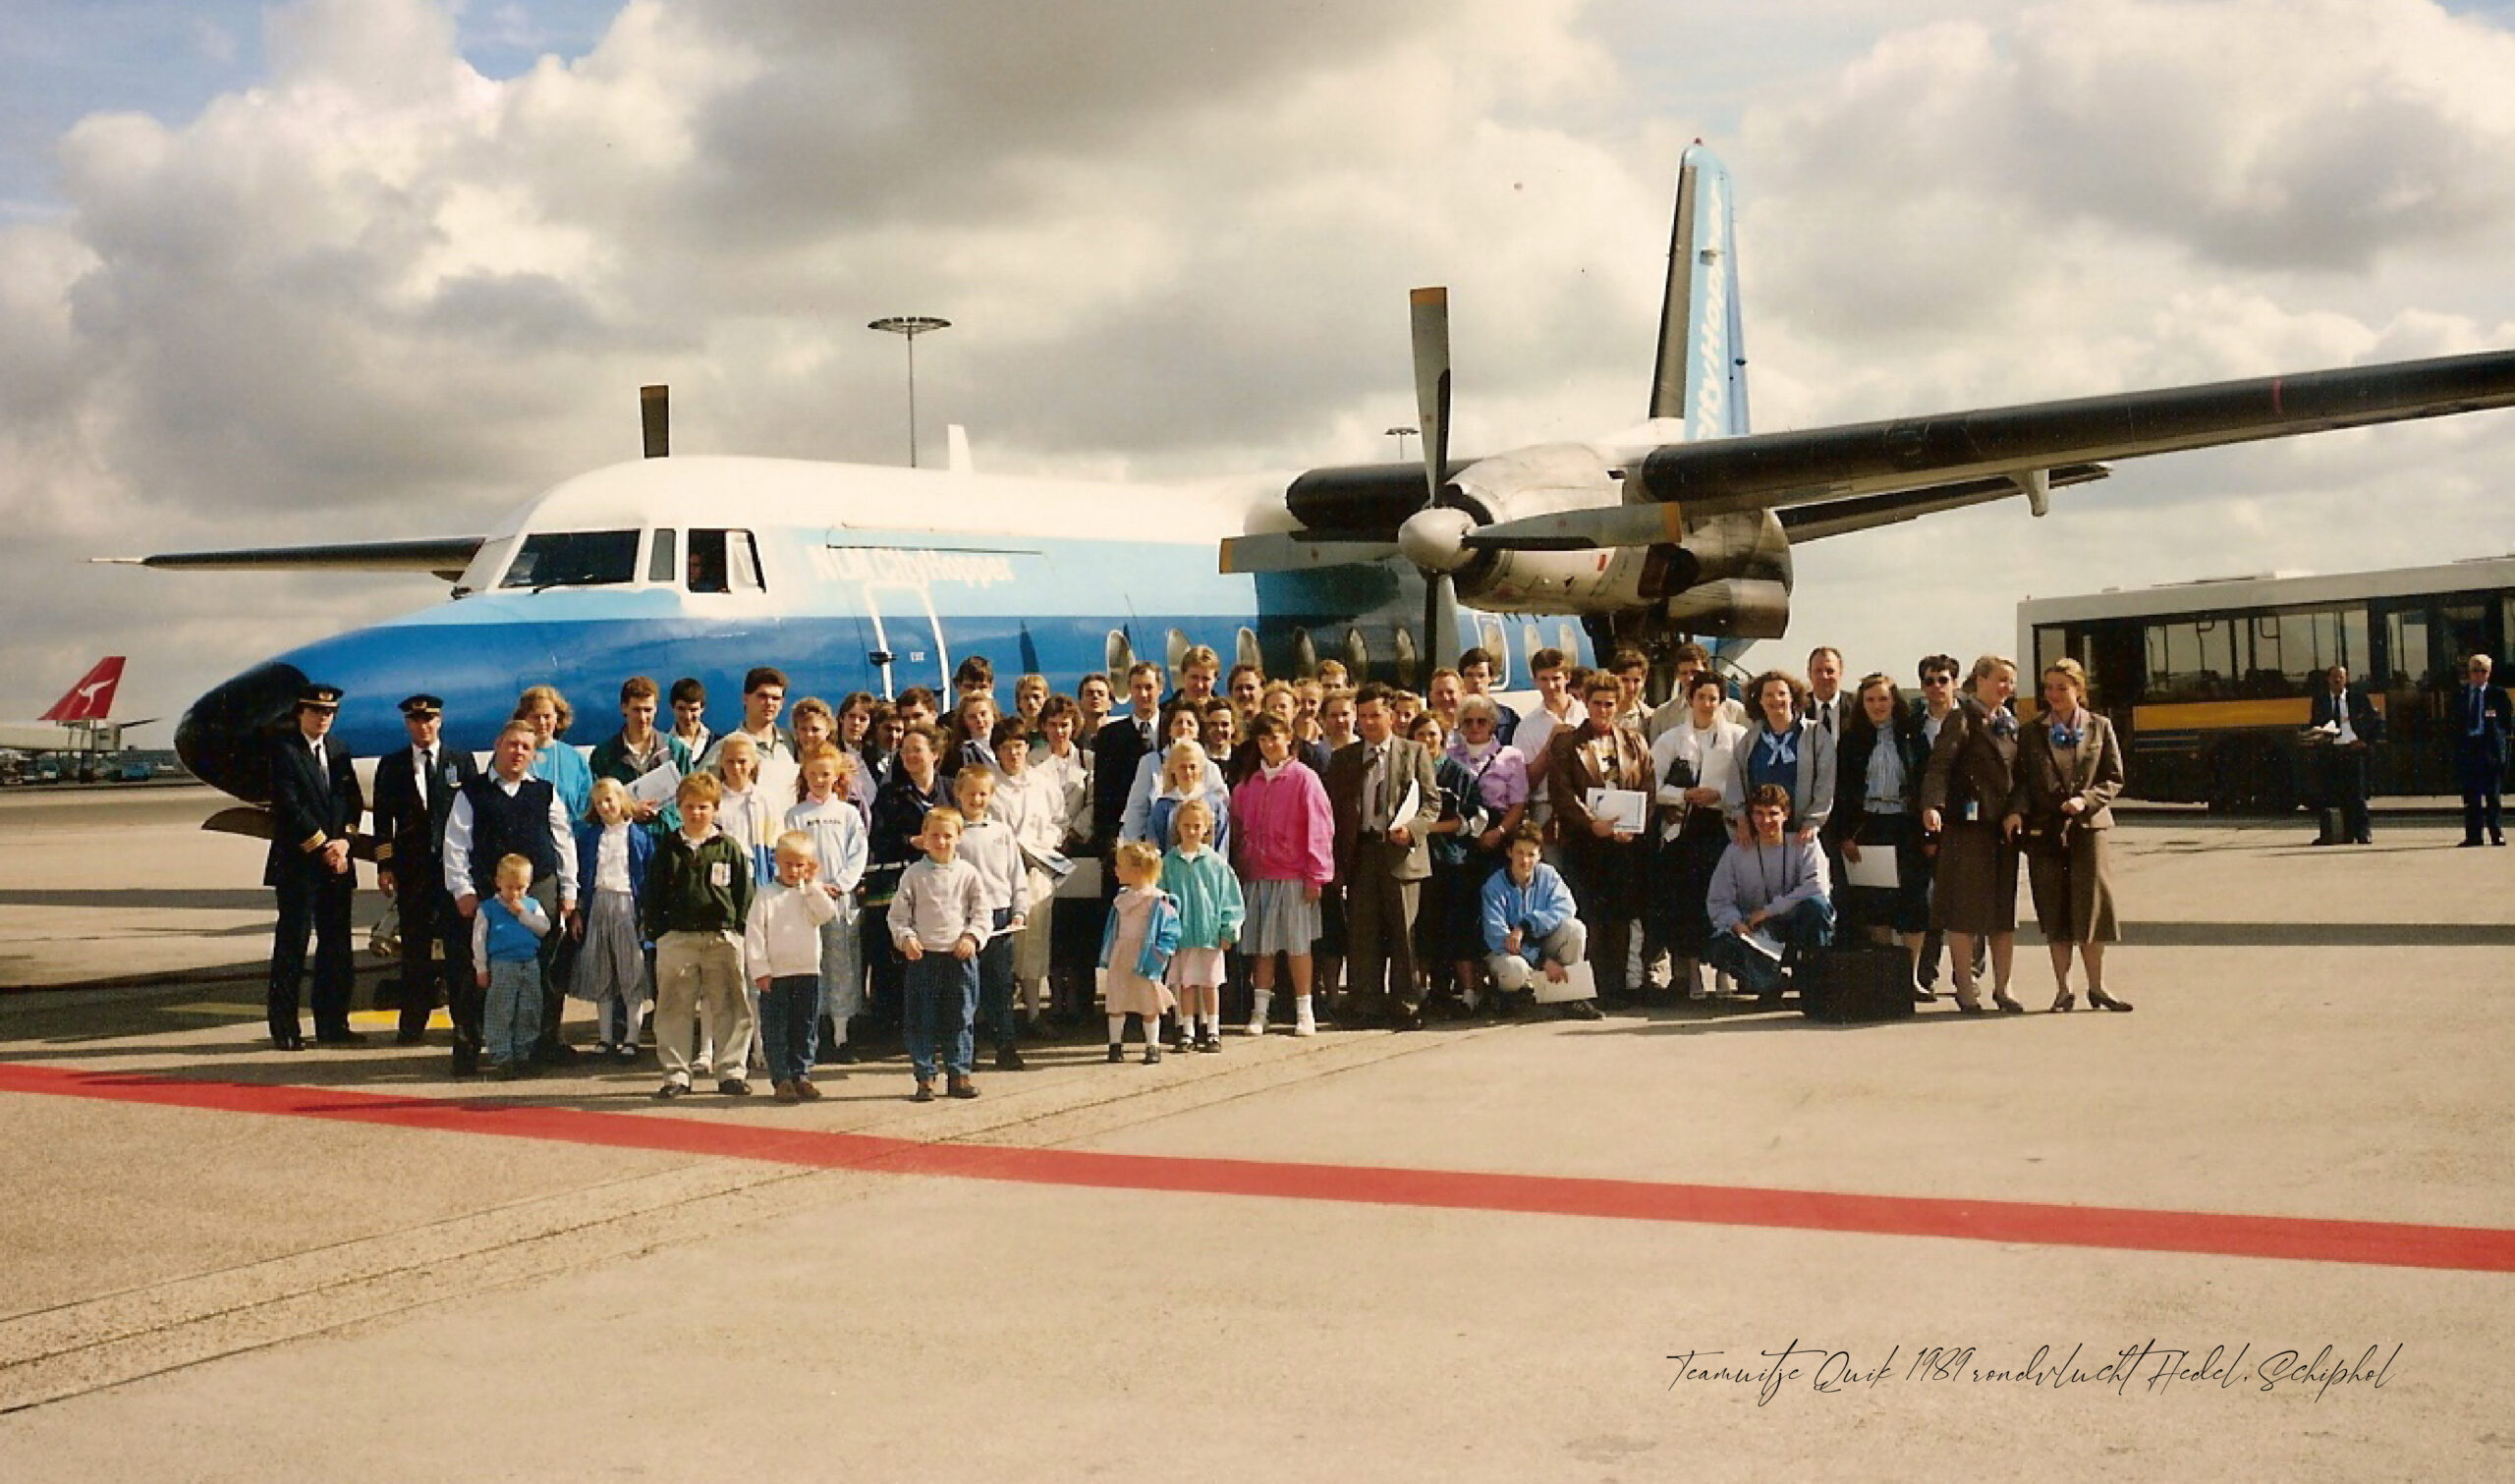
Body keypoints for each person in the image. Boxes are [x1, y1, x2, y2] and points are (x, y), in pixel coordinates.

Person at [446, 721, 579, 1070]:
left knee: (544, 974)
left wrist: (569, 892)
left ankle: (541, 1043)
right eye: (512, 745)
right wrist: (462, 889)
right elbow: (456, 845)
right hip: (490, 895)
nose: (518, 752)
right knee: (480, 972)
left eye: (525, 747)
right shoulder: (471, 792)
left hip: (540, 891)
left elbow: (564, 842)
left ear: (534, 754)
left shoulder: (545, 792)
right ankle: (469, 1045)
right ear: (497, 745)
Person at [2010, 659, 2132, 1013]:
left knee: (2091, 910)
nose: (2054, 695)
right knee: (2055, 910)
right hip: (2045, 831)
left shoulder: (2100, 726)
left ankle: (2098, 986)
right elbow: (2020, 781)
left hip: (2089, 829)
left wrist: (2087, 800)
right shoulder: (2031, 731)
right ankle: (2063, 990)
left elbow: (2114, 777)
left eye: (2062, 687)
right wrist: (2017, 811)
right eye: (2048, 688)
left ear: (2079, 689)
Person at [1325, 683, 1443, 1029]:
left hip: (1400, 852)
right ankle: (1365, 1003)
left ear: (1392, 715)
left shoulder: (1413, 752)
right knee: (1363, 932)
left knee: (1403, 931)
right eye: (1362, 717)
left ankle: (1406, 1003)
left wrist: (1414, 830)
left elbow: (1431, 803)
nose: (1369, 723)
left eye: (1375, 715)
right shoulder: (1345, 758)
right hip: (1361, 853)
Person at [1920, 654, 2026, 1014]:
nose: (2006, 687)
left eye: (2010, 681)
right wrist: (1932, 806)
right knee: (1964, 911)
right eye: (2000, 680)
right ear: (1979, 680)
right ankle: (1964, 984)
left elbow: (2021, 779)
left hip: (2004, 830)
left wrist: (2016, 811)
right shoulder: (1961, 717)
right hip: (1968, 829)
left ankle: (2004, 986)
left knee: (2002, 912)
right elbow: (1939, 767)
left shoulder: (2011, 723)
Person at [370, 692, 477, 1047]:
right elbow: (383, 820)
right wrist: (385, 864)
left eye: (430, 719)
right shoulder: (392, 765)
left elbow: (474, 816)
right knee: (415, 950)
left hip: (453, 870)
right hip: (414, 871)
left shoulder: (460, 761)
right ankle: (412, 1023)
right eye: (417, 720)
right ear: (407, 724)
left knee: (459, 949)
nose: (424, 726)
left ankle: (465, 1022)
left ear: (440, 721)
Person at [643, 770, 756, 1098]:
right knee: (674, 1007)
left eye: (704, 807)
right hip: (677, 938)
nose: (697, 813)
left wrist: (737, 930)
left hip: (721, 938)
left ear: (715, 809)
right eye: (690, 806)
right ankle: (676, 1075)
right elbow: (653, 892)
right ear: (679, 808)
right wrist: (659, 933)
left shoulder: (728, 848)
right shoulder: (668, 847)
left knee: (731, 1005)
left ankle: (731, 1071)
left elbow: (743, 893)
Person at [1545, 670, 1654, 1007]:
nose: (1603, 710)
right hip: (1584, 842)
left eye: (1609, 704)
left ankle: (1619, 987)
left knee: (1622, 915)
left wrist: (1633, 827)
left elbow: (1648, 787)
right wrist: (1593, 824)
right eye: (1597, 703)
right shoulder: (1566, 743)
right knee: (1590, 914)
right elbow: (1561, 793)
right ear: (1585, 702)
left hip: (1624, 844)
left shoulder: (1634, 740)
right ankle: (1592, 989)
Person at [264, 682, 363, 1051]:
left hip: (337, 863)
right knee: (293, 944)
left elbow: (351, 801)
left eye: (329, 713)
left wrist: (345, 842)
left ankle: (333, 1022)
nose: (323, 718)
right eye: (317, 712)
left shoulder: (338, 751)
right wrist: (323, 845)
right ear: (301, 714)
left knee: (336, 947)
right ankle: (285, 1026)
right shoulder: (284, 752)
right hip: (299, 864)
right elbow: (288, 805)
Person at [1825, 673, 1933, 997]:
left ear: (1894, 701)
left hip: (1905, 823)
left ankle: (1910, 976)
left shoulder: (1912, 736)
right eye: (1870, 700)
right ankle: (1887, 975)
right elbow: (1842, 789)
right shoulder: (1852, 739)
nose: (1877, 706)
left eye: (1883, 699)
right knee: (1876, 902)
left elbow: (1925, 781)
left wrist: (1929, 834)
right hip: (1868, 826)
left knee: (1913, 900)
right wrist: (1844, 833)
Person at [1231, 713, 1333, 1037]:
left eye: (1275, 738)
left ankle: (1305, 1010)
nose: (1269, 745)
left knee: (1297, 945)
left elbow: (1320, 828)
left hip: (1294, 874)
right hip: (1257, 874)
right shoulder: (1248, 783)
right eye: (1262, 740)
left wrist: (1316, 874)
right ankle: (1260, 1011)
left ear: (1289, 737)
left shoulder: (1305, 778)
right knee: (1263, 947)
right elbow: (1235, 826)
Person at [1648, 670, 1745, 1001]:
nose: (1707, 704)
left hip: (1722, 829)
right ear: (1690, 699)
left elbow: (1745, 784)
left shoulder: (1738, 737)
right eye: (1701, 697)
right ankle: (1691, 975)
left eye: (1713, 698)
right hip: (1684, 831)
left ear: (1722, 701)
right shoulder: (1670, 740)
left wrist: (1716, 793)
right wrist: (1684, 795)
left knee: (1725, 901)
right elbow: (1653, 787)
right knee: (1688, 903)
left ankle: (1723, 972)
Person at [889, 805, 988, 1102]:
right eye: (935, 836)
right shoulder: (914, 875)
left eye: (948, 836)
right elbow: (898, 916)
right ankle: (925, 1077)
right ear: (924, 837)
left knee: (960, 1017)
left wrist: (972, 936)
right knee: (922, 1018)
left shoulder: (968, 874)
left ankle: (959, 1074)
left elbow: (982, 912)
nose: (941, 842)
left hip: (959, 957)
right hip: (925, 958)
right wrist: (906, 938)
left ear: (959, 837)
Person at [1705, 785, 1836, 1002]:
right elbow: (1719, 900)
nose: (1766, 821)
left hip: (1794, 924)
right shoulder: (1736, 851)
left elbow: (1817, 888)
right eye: (1759, 814)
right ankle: (1769, 983)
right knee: (1720, 944)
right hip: (1757, 931)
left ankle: (1813, 982)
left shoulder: (1805, 844)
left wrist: (1768, 911)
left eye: (1773, 813)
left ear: (1786, 814)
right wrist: (1736, 924)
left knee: (1817, 907)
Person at [865, 723, 953, 1033]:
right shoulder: (890, 795)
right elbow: (878, 838)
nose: (910, 756)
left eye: (917, 749)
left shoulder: (951, 790)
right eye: (905, 751)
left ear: (936, 754)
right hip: (906, 881)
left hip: (946, 885)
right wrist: (910, 841)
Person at [785, 743, 867, 1065]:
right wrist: (807, 885)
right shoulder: (796, 815)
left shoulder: (847, 813)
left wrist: (842, 884)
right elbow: (791, 853)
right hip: (806, 899)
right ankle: (813, 1031)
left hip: (839, 898)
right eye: (814, 773)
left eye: (826, 774)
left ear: (837, 776)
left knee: (842, 961)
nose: (820, 780)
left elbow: (857, 852)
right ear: (804, 775)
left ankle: (842, 1033)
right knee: (811, 964)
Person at [748, 831, 843, 1102]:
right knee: (776, 1027)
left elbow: (827, 915)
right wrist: (760, 970)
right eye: (788, 864)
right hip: (776, 975)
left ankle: (802, 1074)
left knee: (805, 1025)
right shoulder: (765, 896)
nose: (794, 870)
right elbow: (755, 935)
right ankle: (781, 1078)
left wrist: (813, 885)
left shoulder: (810, 894)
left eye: (800, 864)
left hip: (807, 971)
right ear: (777, 861)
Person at [570, 777, 655, 1062]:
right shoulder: (591, 837)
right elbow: (582, 877)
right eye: (598, 803)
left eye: (609, 800)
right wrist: (580, 911)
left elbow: (648, 876)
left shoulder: (639, 836)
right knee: (601, 971)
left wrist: (646, 914)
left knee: (632, 972)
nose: (605, 807)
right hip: (599, 905)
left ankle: (632, 1037)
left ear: (622, 800)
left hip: (627, 905)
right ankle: (605, 1037)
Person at [952, 764, 1031, 1071]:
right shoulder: (953, 833)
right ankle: (964, 1050)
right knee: (964, 986)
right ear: (959, 794)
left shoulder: (1001, 832)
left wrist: (1019, 909)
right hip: (965, 917)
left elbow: (1016, 874)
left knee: (999, 985)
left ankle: (1005, 1045)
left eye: (982, 794)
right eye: (970, 793)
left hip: (999, 916)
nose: (976, 799)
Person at [1410, 712, 1487, 1013]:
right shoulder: (1406, 772)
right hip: (1417, 862)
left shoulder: (1460, 775)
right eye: (1420, 735)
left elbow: (1474, 820)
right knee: (1423, 931)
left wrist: (1429, 827)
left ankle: (1469, 994)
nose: (1427, 740)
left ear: (1443, 737)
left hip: (1454, 863)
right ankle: (1422, 994)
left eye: (1432, 734)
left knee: (1458, 930)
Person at [990, 720, 1065, 1031]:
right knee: (1002, 945)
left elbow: (1059, 822)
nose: (1013, 754)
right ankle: (999, 1017)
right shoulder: (990, 785)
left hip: (1037, 871)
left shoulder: (1042, 783)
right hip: (998, 874)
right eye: (1006, 748)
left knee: (1034, 941)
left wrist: (1043, 845)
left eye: (1018, 746)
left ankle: (1034, 1014)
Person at [1481, 826, 1596, 1017]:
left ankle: (1570, 996)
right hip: (1508, 952)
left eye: (1531, 854)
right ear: (1509, 853)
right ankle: (1511, 998)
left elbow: (1566, 908)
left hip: (1541, 941)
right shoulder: (1494, 886)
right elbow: (1497, 936)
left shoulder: (1548, 875)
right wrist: (1542, 960)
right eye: (1519, 853)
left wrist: (1526, 925)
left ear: (1540, 855)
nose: (1525, 860)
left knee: (1575, 929)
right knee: (1514, 969)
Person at [1160, 797, 1243, 1053]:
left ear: (1207, 828)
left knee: (1210, 984)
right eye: (1187, 826)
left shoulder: (1216, 864)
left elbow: (1231, 899)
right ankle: (1186, 1029)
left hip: (1209, 934)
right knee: (1186, 984)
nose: (1192, 831)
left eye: (1197, 826)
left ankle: (1213, 1030)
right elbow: (1161, 899)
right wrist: (1165, 933)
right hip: (1182, 935)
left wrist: (1228, 929)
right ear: (1178, 827)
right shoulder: (1169, 863)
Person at [1726, 670, 1835, 848]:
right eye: (1769, 694)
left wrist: (1812, 823)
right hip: (1760, 834)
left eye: (1782, 693)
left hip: (1801, 834)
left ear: (1793, 697)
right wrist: (1741, 820)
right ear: (1760, 700)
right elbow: (1735, 781)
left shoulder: (1816, 735)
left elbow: (1826, 782)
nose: (1776, 699)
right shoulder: (1750, 739)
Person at [1099, 839, 1182, 1064]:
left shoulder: (1157, 900)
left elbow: (1171, 929)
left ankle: (1152, 1045)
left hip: (1145, 956)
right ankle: (1115, 1045)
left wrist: (1161, 952)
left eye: (1120, 866)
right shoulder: (1122, 899)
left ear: (1137, 871)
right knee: (1116, 1000)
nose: (1116, 870)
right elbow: (1114, 928)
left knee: (1148, 1002)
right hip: (1121, 953)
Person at [471, 854, 553, 1078]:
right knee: (500, 1009)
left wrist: (523, 914)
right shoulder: (488, 909)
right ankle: (501, 1055)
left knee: (529, 1008)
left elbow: (544, 928)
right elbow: (478, 940)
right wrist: (481, 968)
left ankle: (523, 1053)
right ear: (498, 882)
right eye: (510, 887)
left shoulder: (532, 905)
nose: (515, 894)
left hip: (529, 962)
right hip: (502, 963)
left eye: (521, 888)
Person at [589, 676, 691, 825]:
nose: (643, 717)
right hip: (625, 841)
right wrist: (629, 810)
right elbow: (594, 806)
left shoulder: (676, 750)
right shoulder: (604, 755)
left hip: (668, 840)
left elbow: (694, 796)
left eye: (648, 710)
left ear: (656, 709)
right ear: (624, 708)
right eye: (636, 710)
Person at [2310, 664, 2382, 846]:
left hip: (2353, 751)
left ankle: (2363, 833)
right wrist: (2319, 734)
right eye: (2334, 677)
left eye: (2341, 677)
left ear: (2346, 679)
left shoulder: (2358, 698)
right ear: (2328, 679)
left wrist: (2365, 741)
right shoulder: (2320, 700)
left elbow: (2375, 722)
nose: (2337, 680)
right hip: (2332, 751)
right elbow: (2315, 723)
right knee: (2331, 795)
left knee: (2357, 795)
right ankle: (2335, 834)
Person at [699, 667, 800, 800]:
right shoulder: (728, 745)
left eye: (775, 698)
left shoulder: (792, 741)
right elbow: (698, 790)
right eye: (762, 696)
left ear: (782, 703)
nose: (769, 703)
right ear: (745, 698)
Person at [2452, 653, 2511, 848]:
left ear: (2489, 673)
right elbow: (2453, 723)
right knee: (2471, 797)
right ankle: (2473, 835)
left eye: (2483, 671)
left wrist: (2501, 749)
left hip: (2490, 750)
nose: (2478, 675)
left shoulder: (2498, 694)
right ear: (2469, 673)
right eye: (2475, 671)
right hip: (2469, 749)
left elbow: (2507, 724)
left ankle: (2496, 833)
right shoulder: (2460, 695)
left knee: (2492, 796)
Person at [517, 685, 594, 822]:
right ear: (524, 719)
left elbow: (586, 808)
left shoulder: (575, 759)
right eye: (535, 717)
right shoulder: (513, 756)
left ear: (557, 718)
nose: (542, 722)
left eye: (547, 716)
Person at [1457, 646, 1521, 743]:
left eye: (1481, 675)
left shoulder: (1508, 719)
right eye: (1470, 675)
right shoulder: (1454, 718)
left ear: (1491, 678)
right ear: (1462, 679)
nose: (1476, 681)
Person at [668, 676, 713, 761]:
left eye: (693, 710)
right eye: (681, 709)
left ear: (702, 708)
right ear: (672, 707)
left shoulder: (717, 744)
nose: (687, 716)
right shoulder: (661, 746)